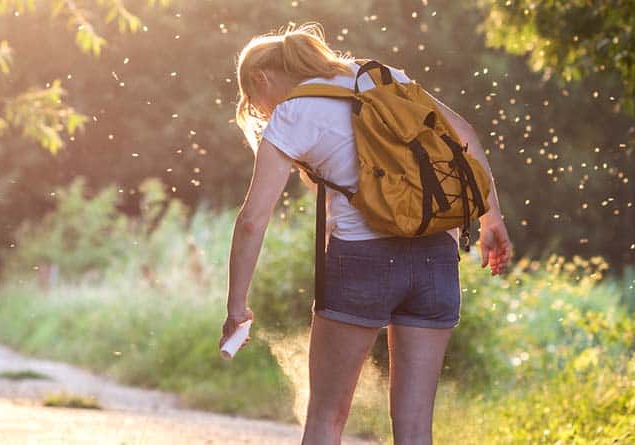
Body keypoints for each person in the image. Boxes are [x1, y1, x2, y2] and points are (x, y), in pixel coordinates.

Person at [218, 23, 513, 445]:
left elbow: (252, 220)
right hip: (436, 257)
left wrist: (236, 306)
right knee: (414, 428)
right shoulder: (384, 77)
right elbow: (463, 133)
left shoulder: (295, 111)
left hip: (362, 262)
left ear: (263, 79)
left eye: (254, 101)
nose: (261, 111)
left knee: (326, 418)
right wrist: (491, 219)